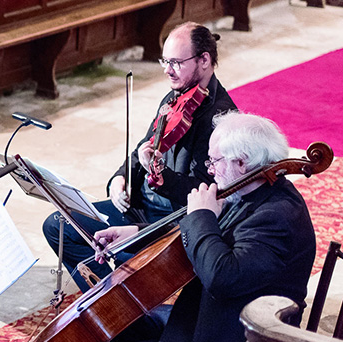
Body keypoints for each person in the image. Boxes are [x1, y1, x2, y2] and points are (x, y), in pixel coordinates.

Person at [64, 112, 316, 342]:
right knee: (120, 327)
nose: (210, 170)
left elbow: (223, 276)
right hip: (209, 323)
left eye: (215, 161)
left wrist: (201, 215)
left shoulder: (276, 218)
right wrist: (136, 234)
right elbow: (206, 237)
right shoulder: (252, 192)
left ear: (242, 162)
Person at [43, 22, 236, 291]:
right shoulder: (175, 97)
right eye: (165, 61)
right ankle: (106, 298)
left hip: (167, 223)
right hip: (139, 206)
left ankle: (119, 303)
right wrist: (120, 178)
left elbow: (205, 192)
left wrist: (162, 176)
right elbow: (141, 150)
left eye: (177, 62)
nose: (168, 70)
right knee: (58, 226)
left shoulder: (221, 119)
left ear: (204, 60)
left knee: (122, 254)